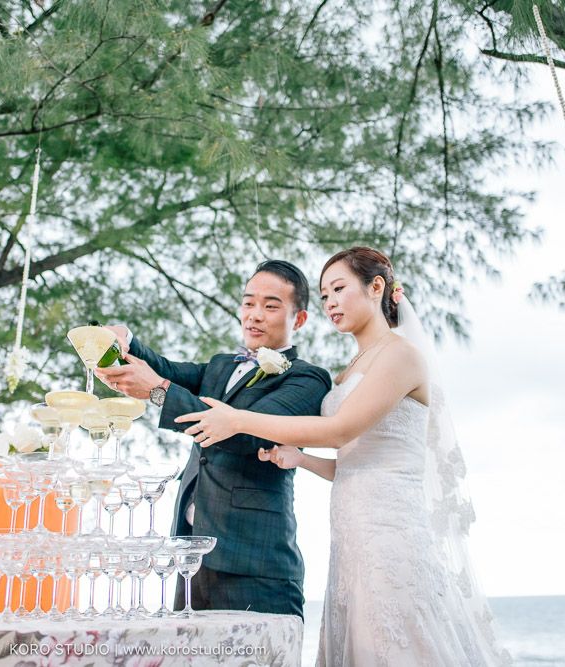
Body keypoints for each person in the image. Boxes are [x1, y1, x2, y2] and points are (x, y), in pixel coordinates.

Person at [176, 247, 511, 665]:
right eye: (324, 296)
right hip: (349, 532)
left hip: (388, 529)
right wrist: (302, 460)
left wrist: (238, 420)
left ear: (376, 287)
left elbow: (339, 430)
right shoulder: (351, 370)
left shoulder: (401, 355)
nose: (331, 302)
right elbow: (355, 463)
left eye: (338, 289)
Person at [94, 259, 331, 618]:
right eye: (248, 303)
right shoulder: (221, 366)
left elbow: (245, 435)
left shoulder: (307, 379)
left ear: (299, 319)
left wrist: (157, 391)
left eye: (270, 306)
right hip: (191, 555)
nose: (254, 315)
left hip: (255, 563)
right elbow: (167, 370)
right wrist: (125, 340)